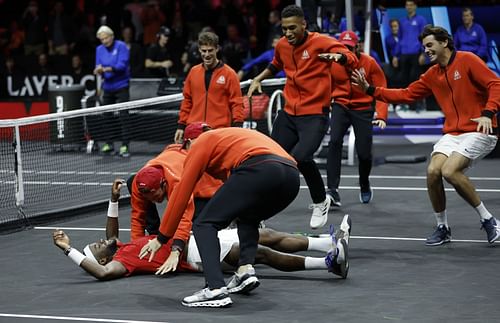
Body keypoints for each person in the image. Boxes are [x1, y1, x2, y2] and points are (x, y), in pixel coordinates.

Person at [138, 125, 346, 308]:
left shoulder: (201, 143)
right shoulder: (230, 138)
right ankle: (245, 269)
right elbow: (230, 186)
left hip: (260, 168)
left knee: (203, 224)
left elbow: (184, 192)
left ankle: (215, 288)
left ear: (190, 142)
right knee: (248, 216)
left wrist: (162, 237)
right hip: (290, 176)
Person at [351, 25, 500, 246]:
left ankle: (490, 220)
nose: (426, 50)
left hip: (480, 129)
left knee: (449, 171)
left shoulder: (468, 60)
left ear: (444, 43)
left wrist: (488, 112)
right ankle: (443, 227)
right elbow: (406, 94)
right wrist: (372, 91)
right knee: (432, 172)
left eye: (430, 45)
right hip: (453, 133)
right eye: (424, 46)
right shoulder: (432, 74)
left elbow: (495, 83)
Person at [52, 179, 351, 284]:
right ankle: (327, 265)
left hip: (198, 239)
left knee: (264, 234)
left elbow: (111, 234)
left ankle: (328, 243)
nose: (100, 241)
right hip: (197, 257)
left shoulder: (125, 246)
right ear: (103, 260)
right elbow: (101, 273)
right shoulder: (123, 263)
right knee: (259, 253)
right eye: (97, 246)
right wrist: (70, 250)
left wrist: (114, 200)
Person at [247, 4, 358, 229]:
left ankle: (320, 201)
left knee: (300, 158)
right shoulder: (282, 45)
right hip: (288, 114)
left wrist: (339, 57)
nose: (288, 33)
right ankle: (258, 213)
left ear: (303, 25)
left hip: (314, 115)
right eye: (284, 29)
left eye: (292, 28)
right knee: (270, 160)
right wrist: (259, 78)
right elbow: (276, 63)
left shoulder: (321, 42)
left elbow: (351, 57)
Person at [326, 31, 388, 207]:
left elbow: (381, 88)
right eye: (343, 47)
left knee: (364, 154)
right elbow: (326, 84)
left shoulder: (369, 63)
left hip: (363, 109)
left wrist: (382, 115)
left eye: (350, 47)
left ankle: (364, 183)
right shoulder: (334, 62)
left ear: (357, 46)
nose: (346, 51)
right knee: (334, 142)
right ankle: (332, 190)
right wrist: (326, 103)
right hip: (341, 105)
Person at [128, 139, 221, 242]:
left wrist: (177, 246)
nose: (154, 201)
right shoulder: (138, 183)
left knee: (200, 224)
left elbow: (184, 215)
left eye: (155, 197)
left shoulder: (176, 183)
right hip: (173, 158)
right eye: (149, 199)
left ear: (163, 184)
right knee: (131, 182)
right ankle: (154, 234)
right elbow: (137, 217)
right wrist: (135, 245)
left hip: (207, 188)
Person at [173, 31, 244, 144]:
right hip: (194, 132)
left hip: (219, 132)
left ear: (217, 49)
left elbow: (237, 103)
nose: (207, 54)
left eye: (210, 50)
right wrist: (181, 126)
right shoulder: (193, 72)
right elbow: (187, 101)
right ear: (199, 50)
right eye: (204, 51)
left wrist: (238, 127)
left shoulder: (229, 74)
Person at [94, 25, 131, 157]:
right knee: (106, 116)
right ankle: (109, 144)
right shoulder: (99, 49)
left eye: (106, 38)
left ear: (112, 36)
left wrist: (107, 69)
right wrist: (98, 70)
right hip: (107, 87)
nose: (104, 41)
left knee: (123, 116)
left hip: (121, 86)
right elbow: (98, 65)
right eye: (102, 39)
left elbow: (122, 65)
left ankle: (125, 145)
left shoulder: (121, 46)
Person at [398, 0, 427, 112]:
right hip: (404, 53)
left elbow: (424, 37)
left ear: (415, 6)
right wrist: (396, 55)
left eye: (411, 5)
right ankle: (407, 104)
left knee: (416, 80)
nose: (409, 7)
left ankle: (418, 104)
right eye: (407, 5)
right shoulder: (402, 21)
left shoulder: (421, 20)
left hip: (416, 53)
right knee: (404, 80)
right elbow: (400, 38)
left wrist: (423, 53)